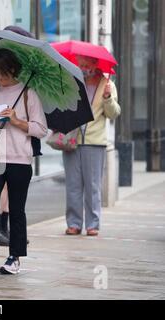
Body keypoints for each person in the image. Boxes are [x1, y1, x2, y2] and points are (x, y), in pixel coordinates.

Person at [0, 47, 48, 274]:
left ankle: (14, 257)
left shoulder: (29, 95)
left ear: (12, 69)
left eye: (0, 72)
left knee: (17, 209)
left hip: (19, 160)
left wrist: (17, 121)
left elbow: (41, 130)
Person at [63, 55, 121, 237]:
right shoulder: (72, 82)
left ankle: (92, 224)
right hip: (72, 140)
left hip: (94, 142)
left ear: (95, 64)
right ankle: (73, 223)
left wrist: (108, 98)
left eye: (86, 65)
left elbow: (113, 114)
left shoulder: (107, 84)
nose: (83, 68)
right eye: (80, 64)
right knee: (73, 185)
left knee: (92, 185)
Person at [0, 26, 37, 247]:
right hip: (0, 136)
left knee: (12, 187)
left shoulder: (25, 76)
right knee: (2, 185)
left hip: (19, 138)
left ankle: (6, 227)